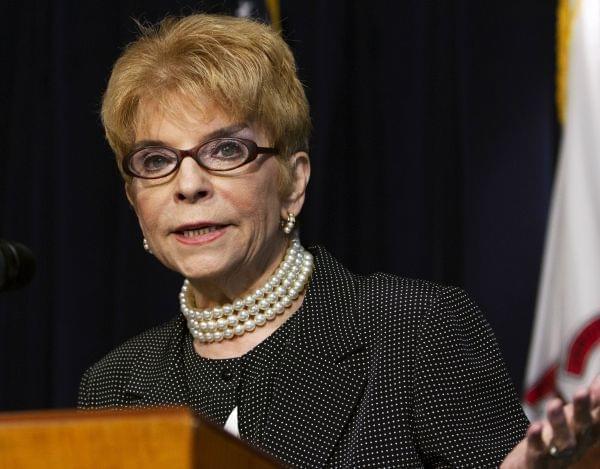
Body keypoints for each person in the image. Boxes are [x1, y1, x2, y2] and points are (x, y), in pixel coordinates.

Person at [78, 13, 599, 467]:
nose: (188, 185)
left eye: (225, 151)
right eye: (156, 161)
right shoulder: (112, 388)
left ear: (294, 181)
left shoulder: (415, 331)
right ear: (133, 198)